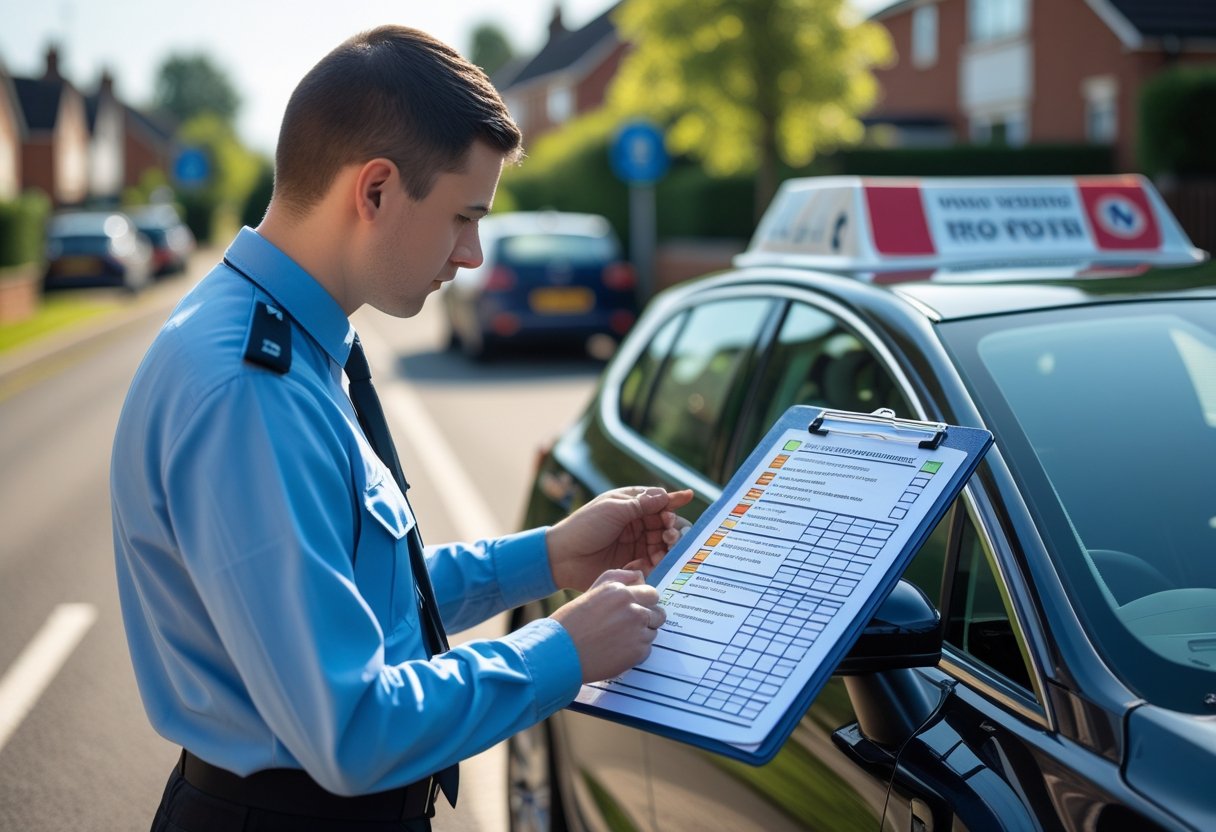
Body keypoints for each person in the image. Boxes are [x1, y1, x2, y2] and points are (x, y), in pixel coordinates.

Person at [110, 25, 693, 832]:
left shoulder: (290, 343)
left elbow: (361, 600)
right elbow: (353, 730)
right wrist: (561, 650)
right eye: (463, 216)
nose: (474, 254)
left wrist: (550, 556)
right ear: (376, 191)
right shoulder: (251, 389)